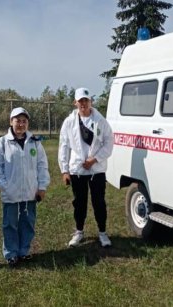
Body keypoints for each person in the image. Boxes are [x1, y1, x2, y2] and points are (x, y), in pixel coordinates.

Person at [0, 107, 50, 266]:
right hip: (10, 192)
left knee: (28, 221)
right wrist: (5, 186)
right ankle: (11, 253)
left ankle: (24, 251)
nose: (21, 124)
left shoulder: (35, 142)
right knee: (9, 223)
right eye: (18, 121)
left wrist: (42, 186)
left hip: (31, 191)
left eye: (24, 121)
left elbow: (42, 165)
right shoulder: (2, 143)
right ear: (11, 122)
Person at [58, 88, 114, 247]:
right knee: (79, 203)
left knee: (99, 202)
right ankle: (79, 232)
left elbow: (109, 142)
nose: (83, 104)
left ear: (91, 102)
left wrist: (94, 159)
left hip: (97, 169)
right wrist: (64, 170)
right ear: (75, 103)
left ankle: (102, 233)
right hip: (78, 170)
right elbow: (64, 146)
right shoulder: (69, 122)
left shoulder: (100, 121)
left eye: (86, 100)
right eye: (80, 101)